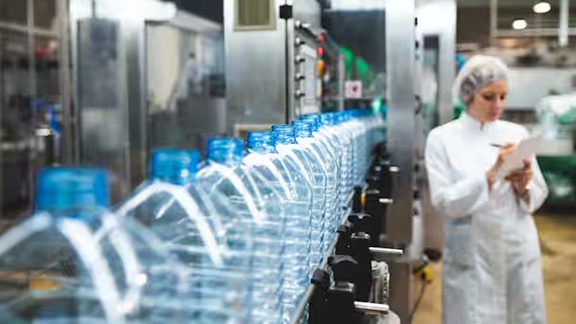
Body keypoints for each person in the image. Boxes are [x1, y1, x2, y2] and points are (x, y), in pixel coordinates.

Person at [425, 55, 548, 324]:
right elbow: (444, 202)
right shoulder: (442, 139)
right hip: (471, 251)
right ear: (468, 95)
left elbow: (538, 193)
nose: (498, 105)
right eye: (489, 97)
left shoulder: (516, 133)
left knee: (521, 314)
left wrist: (523, 185)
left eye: (503, 96)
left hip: (516, 247)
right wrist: (492, 175)